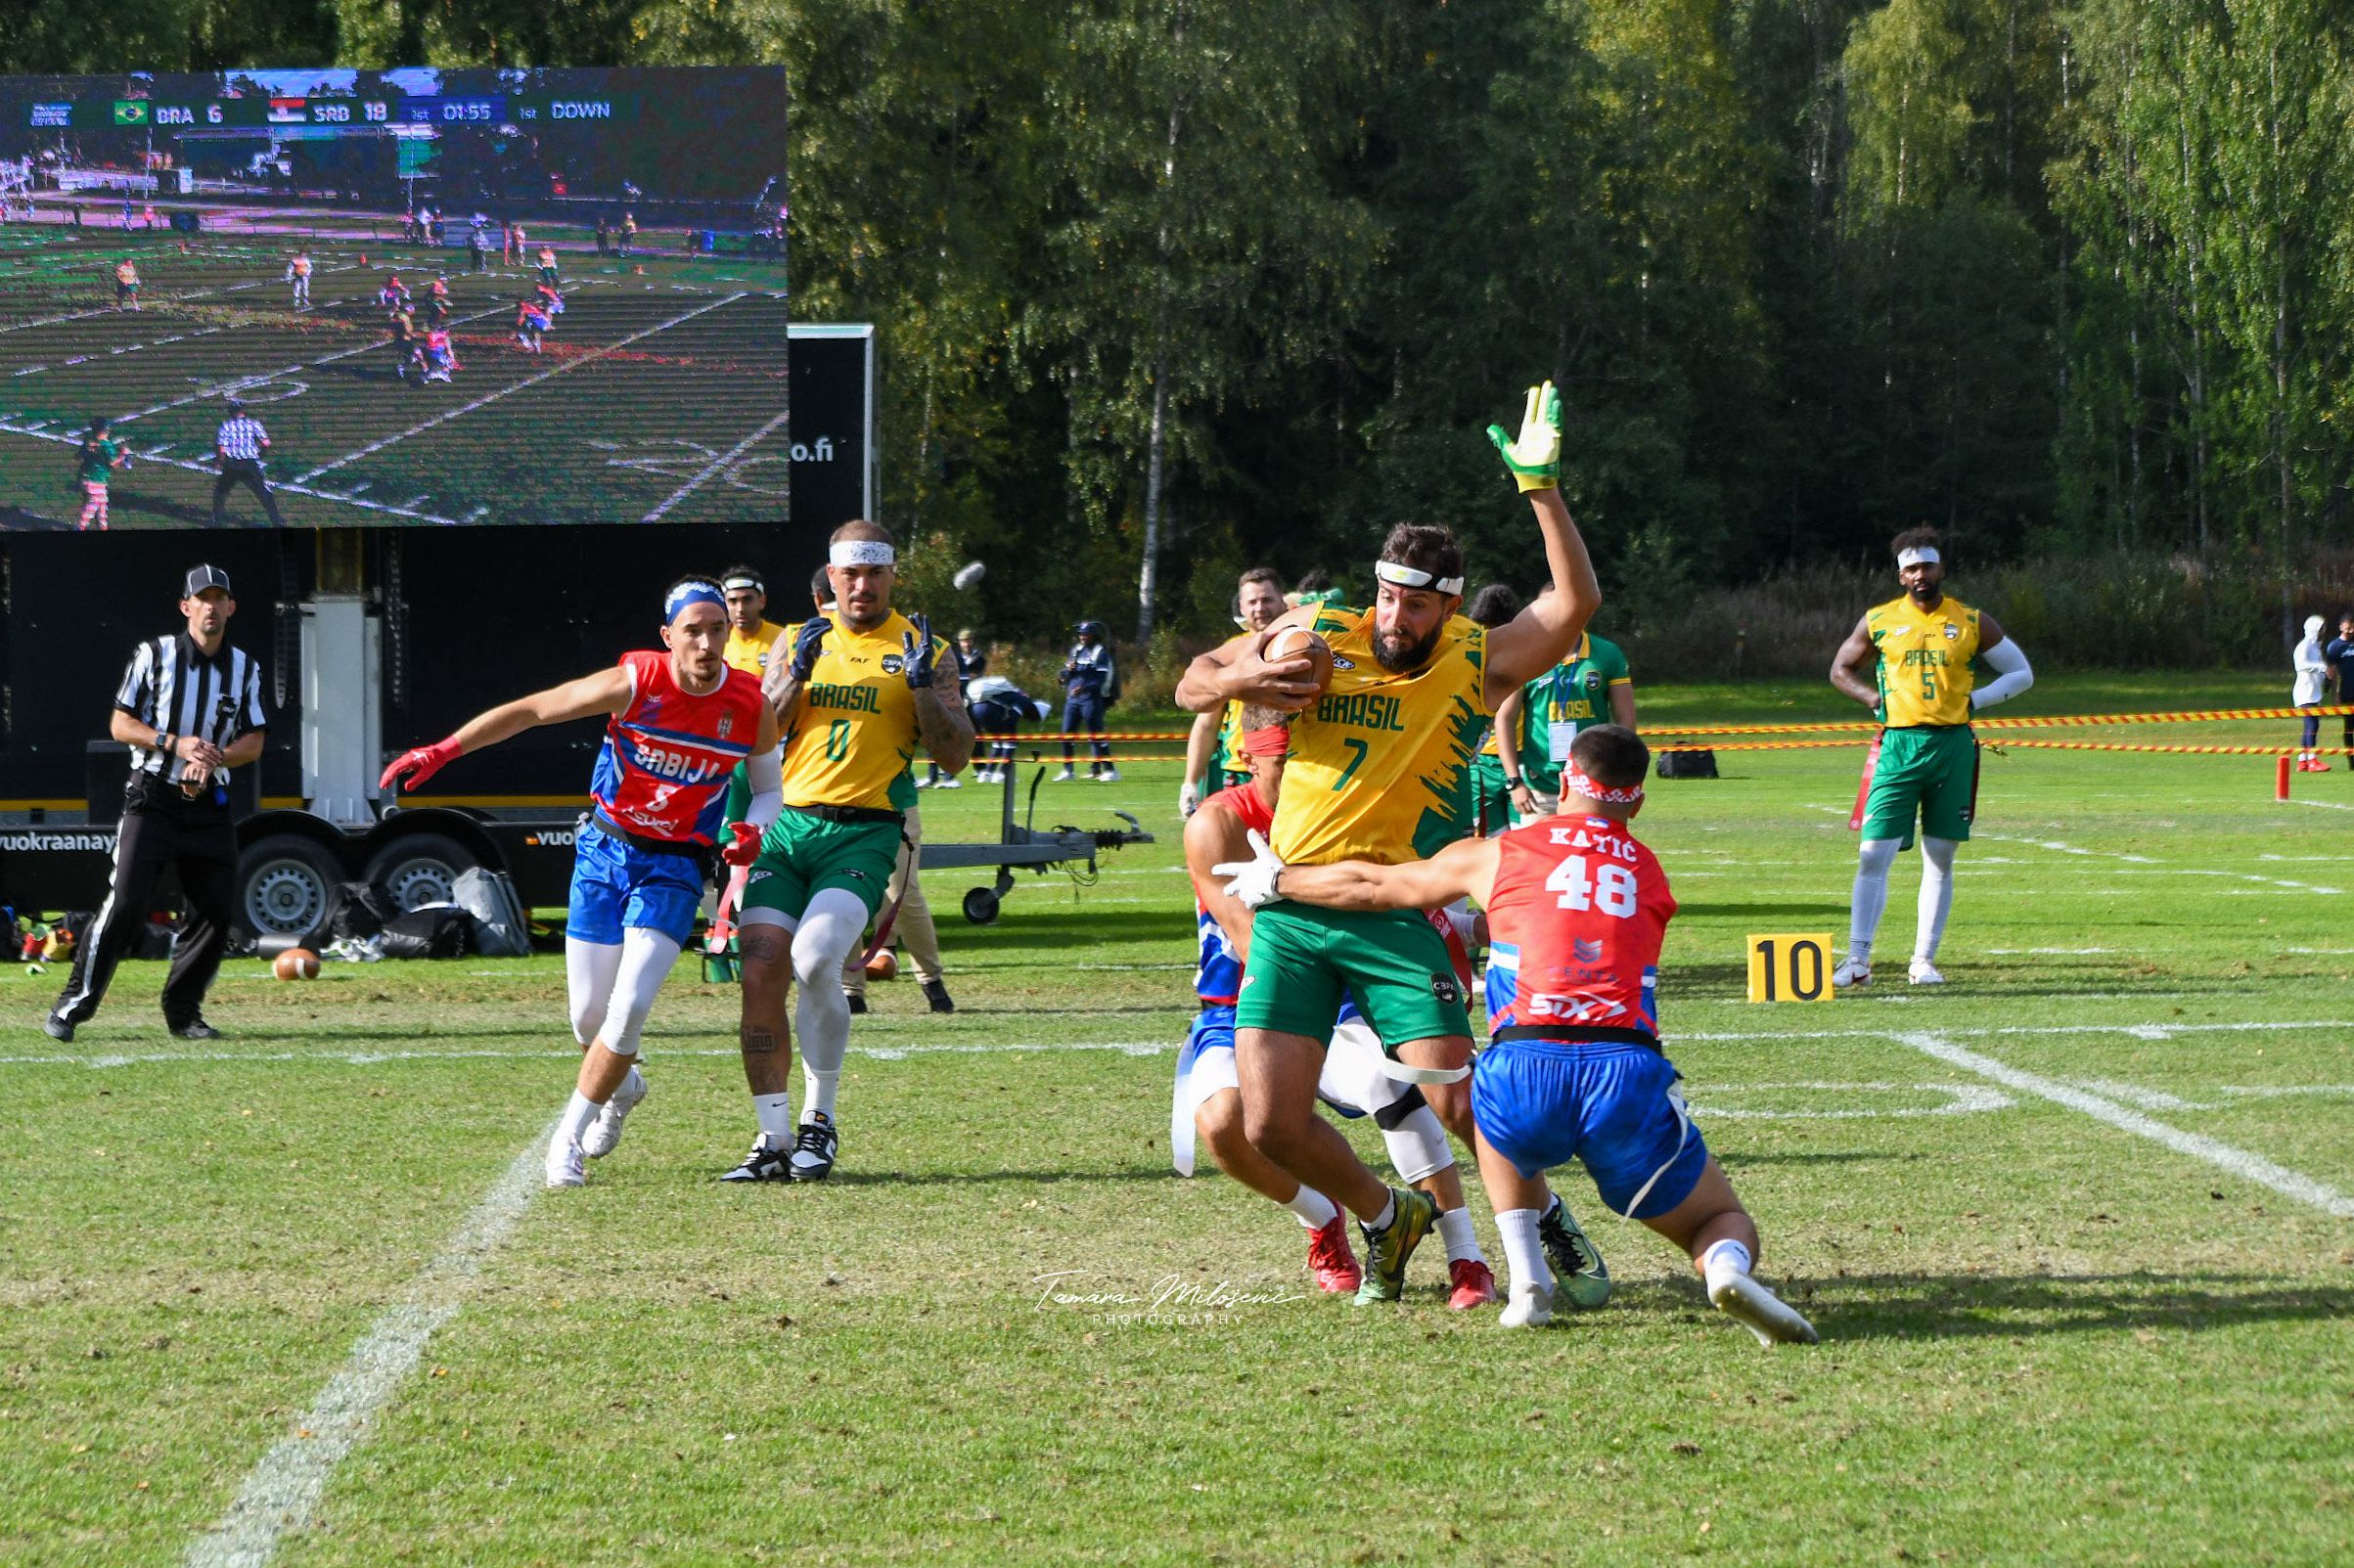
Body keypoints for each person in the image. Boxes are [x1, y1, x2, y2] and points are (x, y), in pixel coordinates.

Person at [1171, 380, 1603, 1304]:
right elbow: (1194, 682)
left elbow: (1575, 605)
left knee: (1453, 1096)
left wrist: (1541, 490)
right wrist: (1256, 670)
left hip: (1396, 906)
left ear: (1448, 606)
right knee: (1268, 1125)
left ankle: (1542, 1212)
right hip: (1291, 905)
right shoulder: (1322, 627)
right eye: (1385, 597)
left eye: (1414, 606)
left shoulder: (1472, 660)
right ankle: (1385, 1214)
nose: (1393, 619)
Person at [1217, 725, 1818, 1344]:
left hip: (1523, 1060)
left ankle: (1528, 1277)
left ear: (1562, 783)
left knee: (1488, 1108)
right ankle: (1721, 1267)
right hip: (1623, 1066)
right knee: (1716, 1218)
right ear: (1637, 800)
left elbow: (1375, 885)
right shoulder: (1649, 871)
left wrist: (1279, 882)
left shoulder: (1498, 853)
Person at [381, 578, 779, 1188]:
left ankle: (564, 1141)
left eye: (716, 629)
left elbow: (770, 790)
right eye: (692, 631)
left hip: (674, 866)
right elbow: (536, 709)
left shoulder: (750, 705)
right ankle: (625, 1086)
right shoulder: (636, 683)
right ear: (667, 637)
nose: (705, 644)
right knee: (587, 1019)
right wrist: (444, 750)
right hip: (605, 852)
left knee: (628, 1010)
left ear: (730, 632)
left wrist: (751, 829)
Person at [1180, 711, 1503, 1309]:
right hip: (1248, 994)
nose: (1304, 775)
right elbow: (1253, 941)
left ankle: (1467, 1256)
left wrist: (1464, 925)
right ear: (1249, 758)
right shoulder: (1217, 823)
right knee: (1226, 1126)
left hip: (1352, 989)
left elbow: (1387, 895)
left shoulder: (1345, 802)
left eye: (1311, 761)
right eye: (1287, 765)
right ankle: (1337, 1217)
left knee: (1400, 1087)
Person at [723, 522, 974, 1182]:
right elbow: (759, 734)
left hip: (865, 830)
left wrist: (921, 687)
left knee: (814, 958)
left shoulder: (927, 648)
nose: (861, 586)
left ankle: (819, 1120)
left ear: (893, 576)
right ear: (830, 579)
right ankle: (772, 1135)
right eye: (849, 575)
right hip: (789, 825)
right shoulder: (796, 640)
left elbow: (956, 754)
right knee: (761, 967)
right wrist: (794, 675)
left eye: (874, 573)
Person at [46, 566, 269, 1044]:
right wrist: (176, 743)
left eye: (219, 598)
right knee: (126, 903)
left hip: (209, 803)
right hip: (152, 796)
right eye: (201, 598)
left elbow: (254, 740)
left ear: (232, 607)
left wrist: (216, 757)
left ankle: (183, 1013)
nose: (210, 606)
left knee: (214, 907)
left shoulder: (245, 667)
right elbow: (120, 724)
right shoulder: (154, 655)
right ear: (185, 606)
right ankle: (72, 1005)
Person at [1829, 526, 2034, 988]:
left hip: (1952, 746)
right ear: (1900, 576)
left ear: (1941, 568)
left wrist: (1975, 702)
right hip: (1898, 745)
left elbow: (2021, 673)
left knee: (1940, 854)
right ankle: (1858, 960)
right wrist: (1870, 699)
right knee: (1873, 853)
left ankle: (1923, 960)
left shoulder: (1972, 620)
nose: (1920, 574)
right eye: (1911, 568)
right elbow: (1840, 669)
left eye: (1927, 565)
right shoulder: (1879, 620)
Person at [1493, 614, 1637, 827]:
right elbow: (1504, 718)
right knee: (1538, 859)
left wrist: (1619, 774)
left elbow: (1626, 719)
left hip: (1594, 788)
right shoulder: (1527, 655)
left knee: (1592, 857)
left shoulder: (1606, 653)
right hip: (1540, 791)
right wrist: (1514, 781)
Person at [1182, 566, 1289, 818]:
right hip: (1239, 769)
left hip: (1287, 767)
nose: (1259, 608)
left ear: (1282, 601)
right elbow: (1207, 723)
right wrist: (1190, 782)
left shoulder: (1304, 645)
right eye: (1252, 602)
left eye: (1267, 600)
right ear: (1241, 607)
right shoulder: (1228, 654)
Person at [1459, 583, 1524, 836]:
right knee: (1485, 842)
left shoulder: (1523, 656)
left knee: (1519, 844)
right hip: (1480, 763)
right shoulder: (1468, 653)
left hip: (1517, 760)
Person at [921, 630, 987, 788]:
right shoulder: (923, 653)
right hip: (933, 703)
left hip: (954, 703)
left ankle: (951, 777)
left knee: (950, 737)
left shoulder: (948, 653)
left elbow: (960, 681)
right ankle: (933, 777)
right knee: (931, 738)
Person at [1058, 621, 1118, 782]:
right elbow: (1067, 673)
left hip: (1090, 700)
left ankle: (1110, 770)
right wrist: (1063, 674)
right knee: (1066, 734)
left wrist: (1083, 688)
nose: (1082, 637)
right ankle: (1067, 770)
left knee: (1096, 735)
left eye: (1086, 634)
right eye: (1081, 634)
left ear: (1093, 635)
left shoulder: (1100, 653)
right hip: (1072, 699)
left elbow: (1100, 679)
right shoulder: (1076, 651)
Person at [210, 400, 286, 526]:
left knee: (221, 492)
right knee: (263, 493)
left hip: (232, 465)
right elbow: (266, 443)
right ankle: (277, 521)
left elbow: (221, 448)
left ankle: (216, 522)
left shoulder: (226, 426)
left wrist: (219, 461)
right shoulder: (253, 424)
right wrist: (258, 455)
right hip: (250, 465)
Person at [966, 675, 1050, 784]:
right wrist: (1013, 738)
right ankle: (1002, 773)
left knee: (999, 740)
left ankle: (987, 773)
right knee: (1011, 739)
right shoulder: (1024, 701)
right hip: (987, 710)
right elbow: (1013, 718)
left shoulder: (1014, 695)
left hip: (976, 709)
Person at [73, 416, 129, 531]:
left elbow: (78, 456)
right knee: (94, 504)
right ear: (106, 430)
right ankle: (80, 526)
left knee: (102, 502)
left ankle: (103, 526)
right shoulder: (107, 446)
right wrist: (123, 455)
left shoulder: (88, 440)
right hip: (97, 479)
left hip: (84, 477)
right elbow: (113, 463)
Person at [2293, 614, 2331, 772]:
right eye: (2320, 629)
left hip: (2314, 691)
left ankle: (2302, 760)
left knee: (2311, 725)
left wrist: (2327, 677)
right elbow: (2301, 665)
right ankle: (2312, 760)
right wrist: (2322, 667)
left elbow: (2319, 671)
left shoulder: (2315, 648)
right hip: (2305, 691)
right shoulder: (2304, 646)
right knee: (2311, 724)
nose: (2323, 632)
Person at [2327, 613, 2354, 771]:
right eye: (2347, 625)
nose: (2350, 629)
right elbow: (2333, 673)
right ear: (2341, 626)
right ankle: (2352, 762)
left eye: (2353, 626)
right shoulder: (2334, 647)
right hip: (2347, 693)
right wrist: (2335, 695)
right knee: (2349, 728)